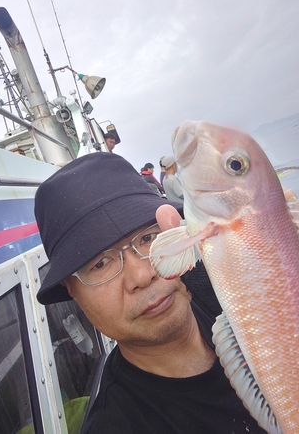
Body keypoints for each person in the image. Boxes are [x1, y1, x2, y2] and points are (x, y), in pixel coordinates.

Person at [35, 153, 267, 434]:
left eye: (147, 238)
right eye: (100, 263)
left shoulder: (231, 288)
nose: (142, 276)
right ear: (72, 291)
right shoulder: (116, 425)